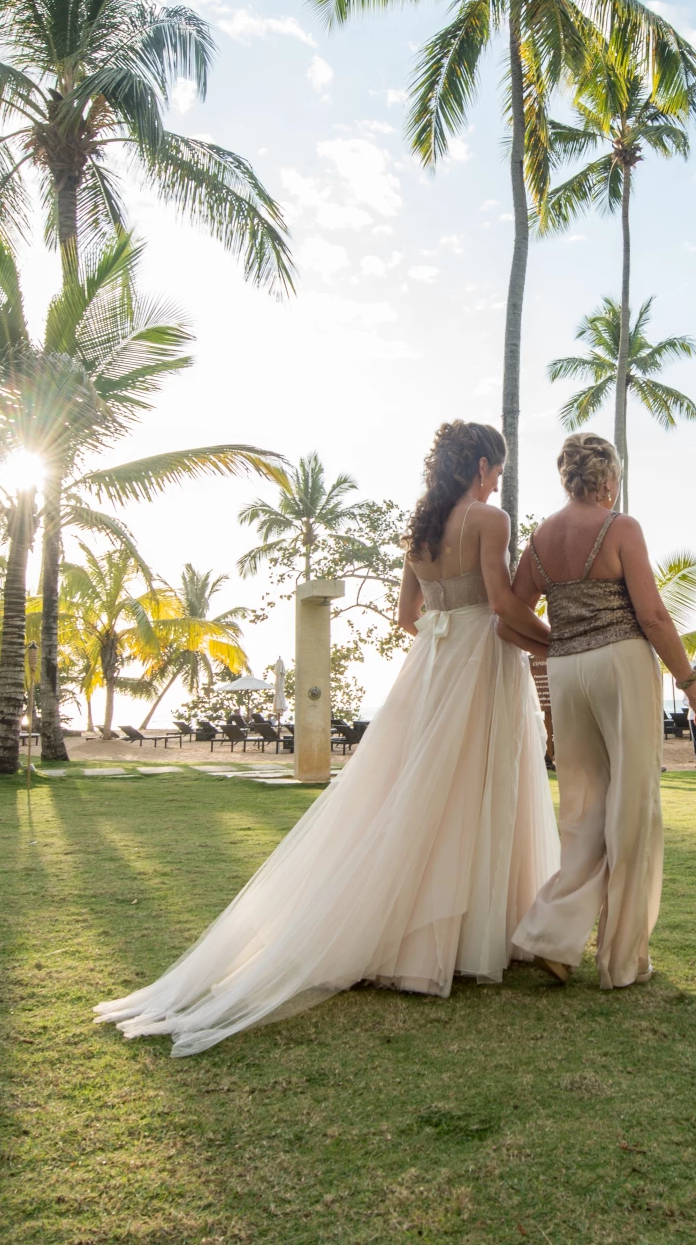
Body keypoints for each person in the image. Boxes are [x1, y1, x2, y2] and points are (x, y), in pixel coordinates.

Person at [95, 421, 562, 1055]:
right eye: (497, 469)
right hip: (480, 663)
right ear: (482, 466)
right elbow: (506, 607)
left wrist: (445, 635)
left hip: (429, 668)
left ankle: (411, 937)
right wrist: (564, 645)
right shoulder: (489, 519)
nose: (498, 480)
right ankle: (472, 936)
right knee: (477, 789)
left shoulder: (420, 528)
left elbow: (407, 618)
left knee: (412, 793)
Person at [510, 433, 696, 990]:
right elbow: (652, 616)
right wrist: (692, 688)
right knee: (633, 805)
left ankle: (554, 938)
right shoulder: (620, 527)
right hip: (620, 665)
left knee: (581, 805)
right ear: (606, 480)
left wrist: (555, 646)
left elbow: (511, 613)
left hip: (566, 668)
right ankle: (623, 960)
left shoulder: (539, 540)